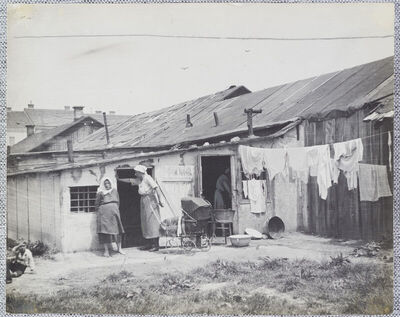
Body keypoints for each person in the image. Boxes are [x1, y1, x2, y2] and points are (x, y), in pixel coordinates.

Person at [134, 165, 164, 252]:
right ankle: (149, 244)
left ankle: (156, 245)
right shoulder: (141, 180)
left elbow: (156, 188)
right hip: (143, 200)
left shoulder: (148, 178)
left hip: (150, 200)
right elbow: (130, 180)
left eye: (136, 172)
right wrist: (118, 178)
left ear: (140, 172)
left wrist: (160, 200)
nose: (135, 174)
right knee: (145, 222)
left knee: (152, 222)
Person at [96, 177, 125, 257]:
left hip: (114, 213)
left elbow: (118, 201)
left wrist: (115, 209)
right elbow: (97, 204)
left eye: (108, 183)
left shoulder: (114, 191)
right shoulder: (100, 192)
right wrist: (100, 213)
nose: (107, 185)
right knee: (105, 232)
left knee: (117, 231)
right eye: (105, 184)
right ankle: (106, 251)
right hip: (104, 214)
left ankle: (119, 248)